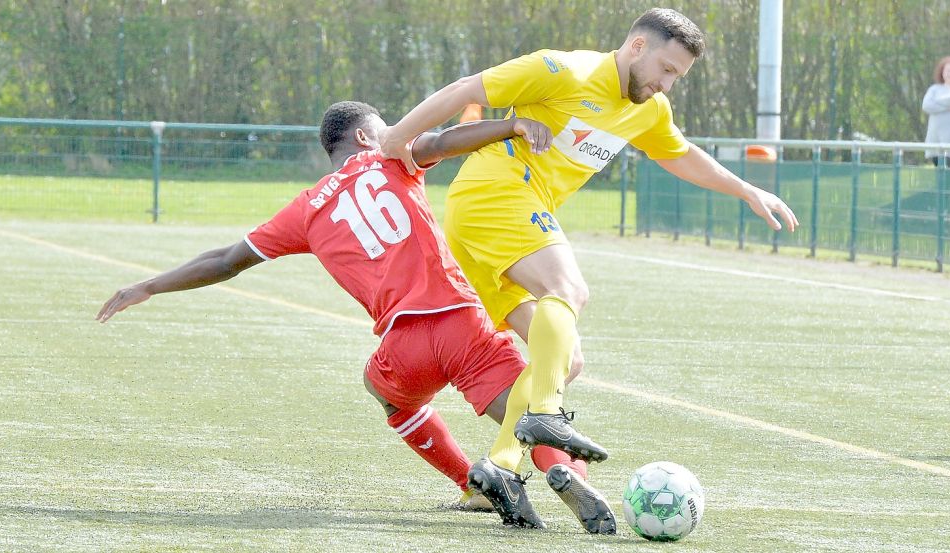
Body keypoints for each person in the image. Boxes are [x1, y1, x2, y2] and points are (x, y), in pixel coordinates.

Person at [96, 101, 616, 533]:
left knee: (384, 390)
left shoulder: (307, 208)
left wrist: (149, 284)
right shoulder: (393, 159)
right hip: (462, 322)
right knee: (531, 416)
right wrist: (511, 124)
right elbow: (441, 141)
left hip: (403, 344)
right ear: (369, 136)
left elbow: (227, 261)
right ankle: (573, 479)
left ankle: (469, 486)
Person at [380, 7, 799, 483]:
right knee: (569, 289)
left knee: (564, 360)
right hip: (495, 191)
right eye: (666, 69)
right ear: (637, 46)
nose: (668, 84)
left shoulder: (648, 109)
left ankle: (500, 466)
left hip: (493, 219)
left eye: (677, 77)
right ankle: (546, 415)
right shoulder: (564, 70)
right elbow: (466, 90)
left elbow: (680, 154)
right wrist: (397, 137)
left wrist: (746, 189)